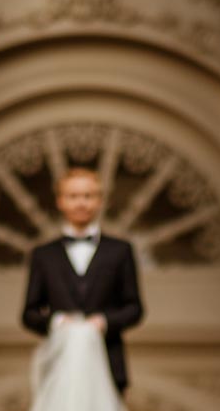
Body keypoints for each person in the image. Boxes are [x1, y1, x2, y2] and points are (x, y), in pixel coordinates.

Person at [21, 166, 144, 393]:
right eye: (73, 196)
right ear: (60, 201)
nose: (81, 203)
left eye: (88, 196)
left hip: (108, 362)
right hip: (59, 361)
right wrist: (58, 322)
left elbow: (134, 308)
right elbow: (29, 313)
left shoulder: (120, 250)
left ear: (100, 201)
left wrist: (103, 321)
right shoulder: (43, 254)